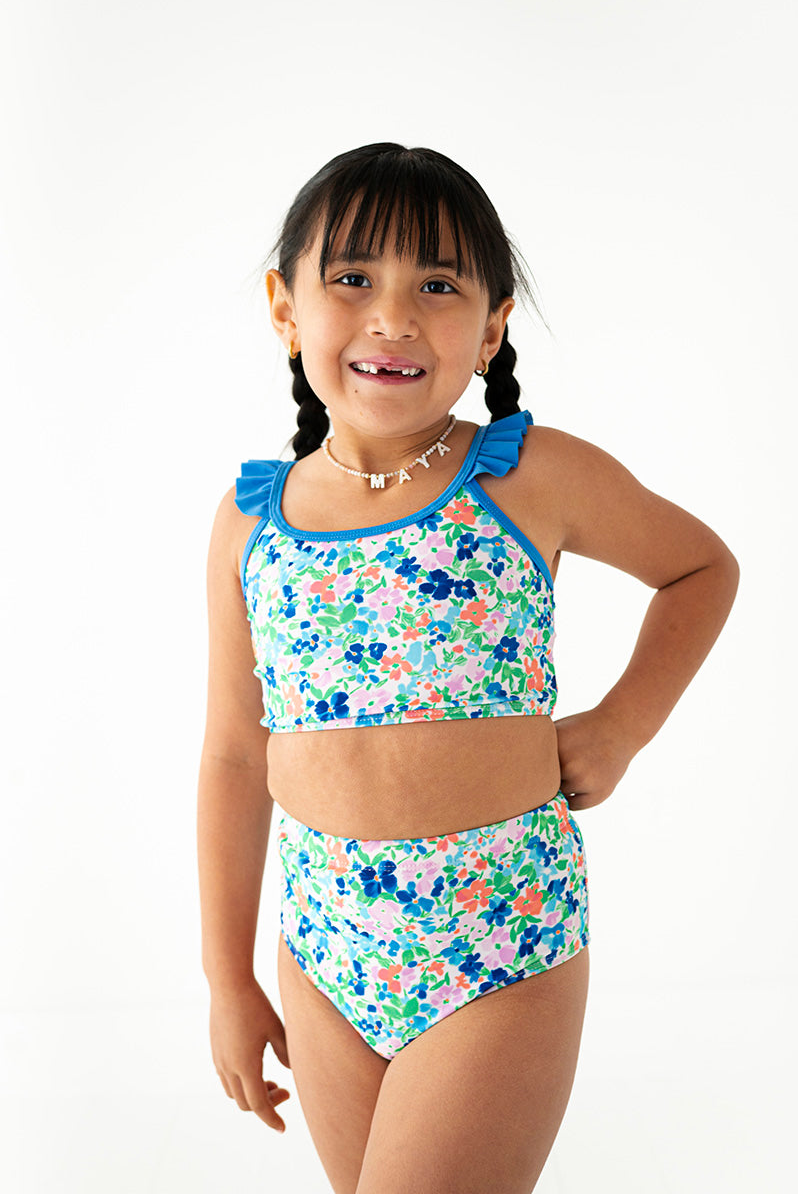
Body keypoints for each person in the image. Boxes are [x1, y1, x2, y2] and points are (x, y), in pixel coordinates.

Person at [197, 142, 738, 1194]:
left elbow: (701, 568)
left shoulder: (528, 476)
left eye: (437, 286)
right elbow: (230, 756)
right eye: (353, 278)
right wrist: (228, 978)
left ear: (491, 328)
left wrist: (622, 725)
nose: (393, 317)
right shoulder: (251, 522)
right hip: (324, 950)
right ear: (285, 308)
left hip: (495, 942)